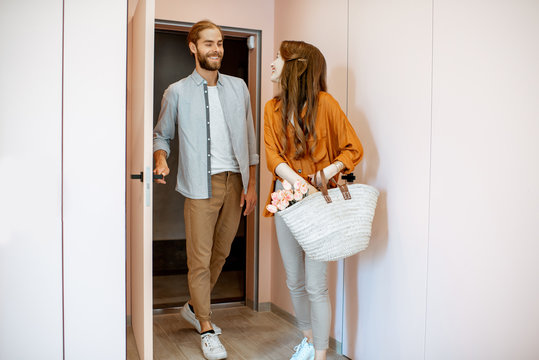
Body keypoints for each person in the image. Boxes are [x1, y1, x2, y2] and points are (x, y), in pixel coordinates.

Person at [153, 20, 258, 360]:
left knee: (222, 253)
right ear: (193, 47)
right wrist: (161, 159)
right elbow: (161, 135)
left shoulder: (239, 87)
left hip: (235, 182)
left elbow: (251, 140)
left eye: (221, 43)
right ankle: (206, 326)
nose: (217, 49)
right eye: (210, 43)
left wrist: (251, 184)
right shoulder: (177, 91)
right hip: (200, 185)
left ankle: (192, 308)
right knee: (198, 260)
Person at [263, 40, 363, 360]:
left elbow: (352, 148)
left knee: (316, 284)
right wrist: (297, 182)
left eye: (278, 57)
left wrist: (324, 174)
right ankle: (308, 341)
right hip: (286, 198)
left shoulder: (326, 103)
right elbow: (272, 155)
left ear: (297, 66)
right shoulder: (271, 108)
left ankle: (320, 355)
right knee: (294, 279)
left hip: (321, 201)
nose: (272, 62)